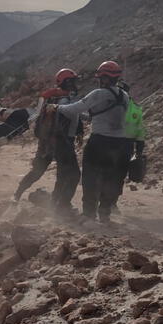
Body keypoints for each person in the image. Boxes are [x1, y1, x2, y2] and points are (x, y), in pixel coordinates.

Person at [58, 60, 129, 223]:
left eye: (100, 77)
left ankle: (89, 214)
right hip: (119, 143)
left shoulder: (98, 93)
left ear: (103, 78)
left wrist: (57, 107)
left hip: (99, 141)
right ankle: (105, 213)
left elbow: (73, 109)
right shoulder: (124, 96)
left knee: (90, 177)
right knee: (110, 179)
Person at [14, 68, 83, 213]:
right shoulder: (64, 100)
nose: (75, 84)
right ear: (67, 82)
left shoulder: (54, 99)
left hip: (46, 143)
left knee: (37, 171)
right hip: (61, 142)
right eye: (73, 81)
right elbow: (65, 122)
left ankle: (17, 195)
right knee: (70, 174)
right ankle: (60, 205)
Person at [114, 82, 147, 206]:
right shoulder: (109, 105)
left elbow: (140, 131)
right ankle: (102, 201)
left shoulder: (136, 109)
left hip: (126, 146)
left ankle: (113, 202)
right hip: (109, 143)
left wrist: (139, 151)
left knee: (120, 175)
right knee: (106, 172)